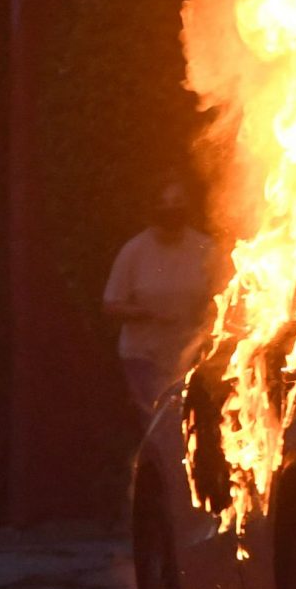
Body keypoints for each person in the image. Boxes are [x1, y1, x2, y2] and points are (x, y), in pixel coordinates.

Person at [103, 177, 224, 427]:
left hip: (190, 356)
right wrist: (147, 313)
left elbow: (222, 294)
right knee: (161, 424)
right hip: (145, 356)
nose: (171, 208)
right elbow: (111, 305)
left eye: (177, 201)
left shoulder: (204, 248)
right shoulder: (134, 251)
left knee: (190, 424)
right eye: (163, 202)